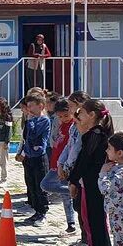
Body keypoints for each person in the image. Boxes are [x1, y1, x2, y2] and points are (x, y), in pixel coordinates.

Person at [68, 99, 115, 246]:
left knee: (98, 225)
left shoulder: (96, 134)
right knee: (92, 223)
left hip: (96, 186)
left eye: (82, 112)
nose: (78, 115)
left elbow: (84, 161)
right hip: (90, 184)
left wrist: (73, 180)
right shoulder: (92, 134)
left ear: (92, 115)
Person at [58, 91, 93, 246]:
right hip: (73, 171)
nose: (69, 108)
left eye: (72, 105)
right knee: (79, 207)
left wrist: (69, 167)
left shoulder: (85, 127)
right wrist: (61, 163)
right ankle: (84, 239)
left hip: (80, 173)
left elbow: (78, 150)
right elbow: (69, 146)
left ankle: (89, 243)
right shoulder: (74, 125)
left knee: (84, 208)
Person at [39, 99, 77, 233]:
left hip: (65, 165)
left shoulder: (74, 126)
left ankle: (71, 223)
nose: (63, 119)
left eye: (66, 115)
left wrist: (64, 164)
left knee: (46, 185)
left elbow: (71, 148)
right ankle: (71, 223)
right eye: (60, 116)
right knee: (63, 194)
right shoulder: (61, 125)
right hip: (56, 163)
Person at [19, 93, 51, 226]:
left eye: (31, 106)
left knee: (40, 186)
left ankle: (43, 212)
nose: (29, 108)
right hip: (29, 156)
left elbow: (33, 135)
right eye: (28, 106)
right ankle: (36, 210)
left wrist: (30, 120)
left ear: (41, 106)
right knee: (31, 184)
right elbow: (25, 136)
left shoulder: (44, 120)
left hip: (39, 156)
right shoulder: (30, 119)